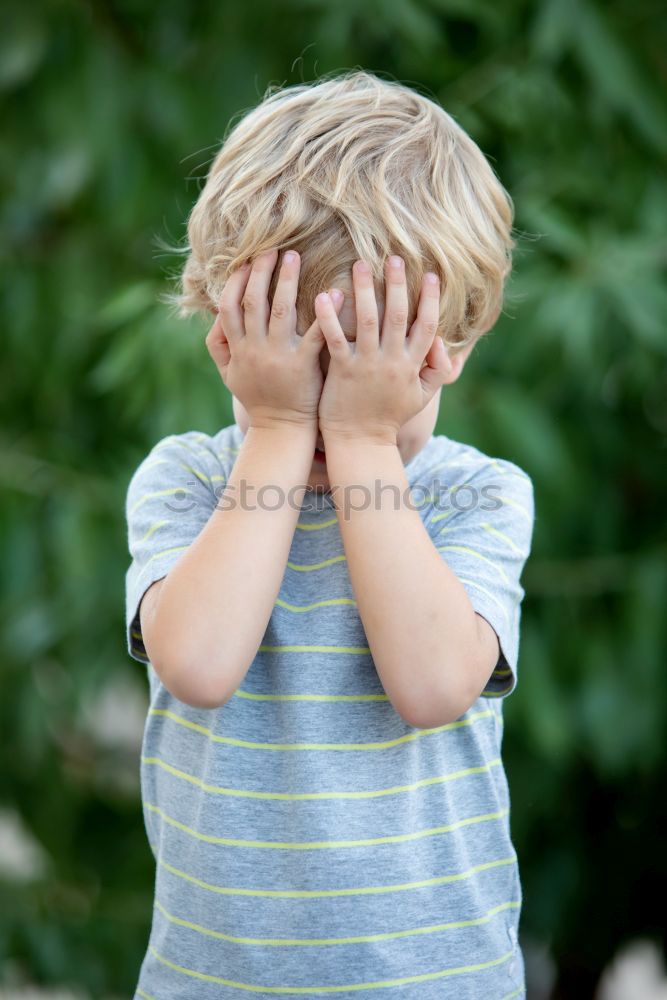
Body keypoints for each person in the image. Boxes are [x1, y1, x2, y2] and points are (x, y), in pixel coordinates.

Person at [124, 69, 535, 999]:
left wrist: (360, 442)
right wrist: (272, 435)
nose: (322, 407)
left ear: (451, 349)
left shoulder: (474, 497)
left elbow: (433, 685)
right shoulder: (187, 481)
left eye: (368, 371)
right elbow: (196, 665)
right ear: (225, 338)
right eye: (296, 368)